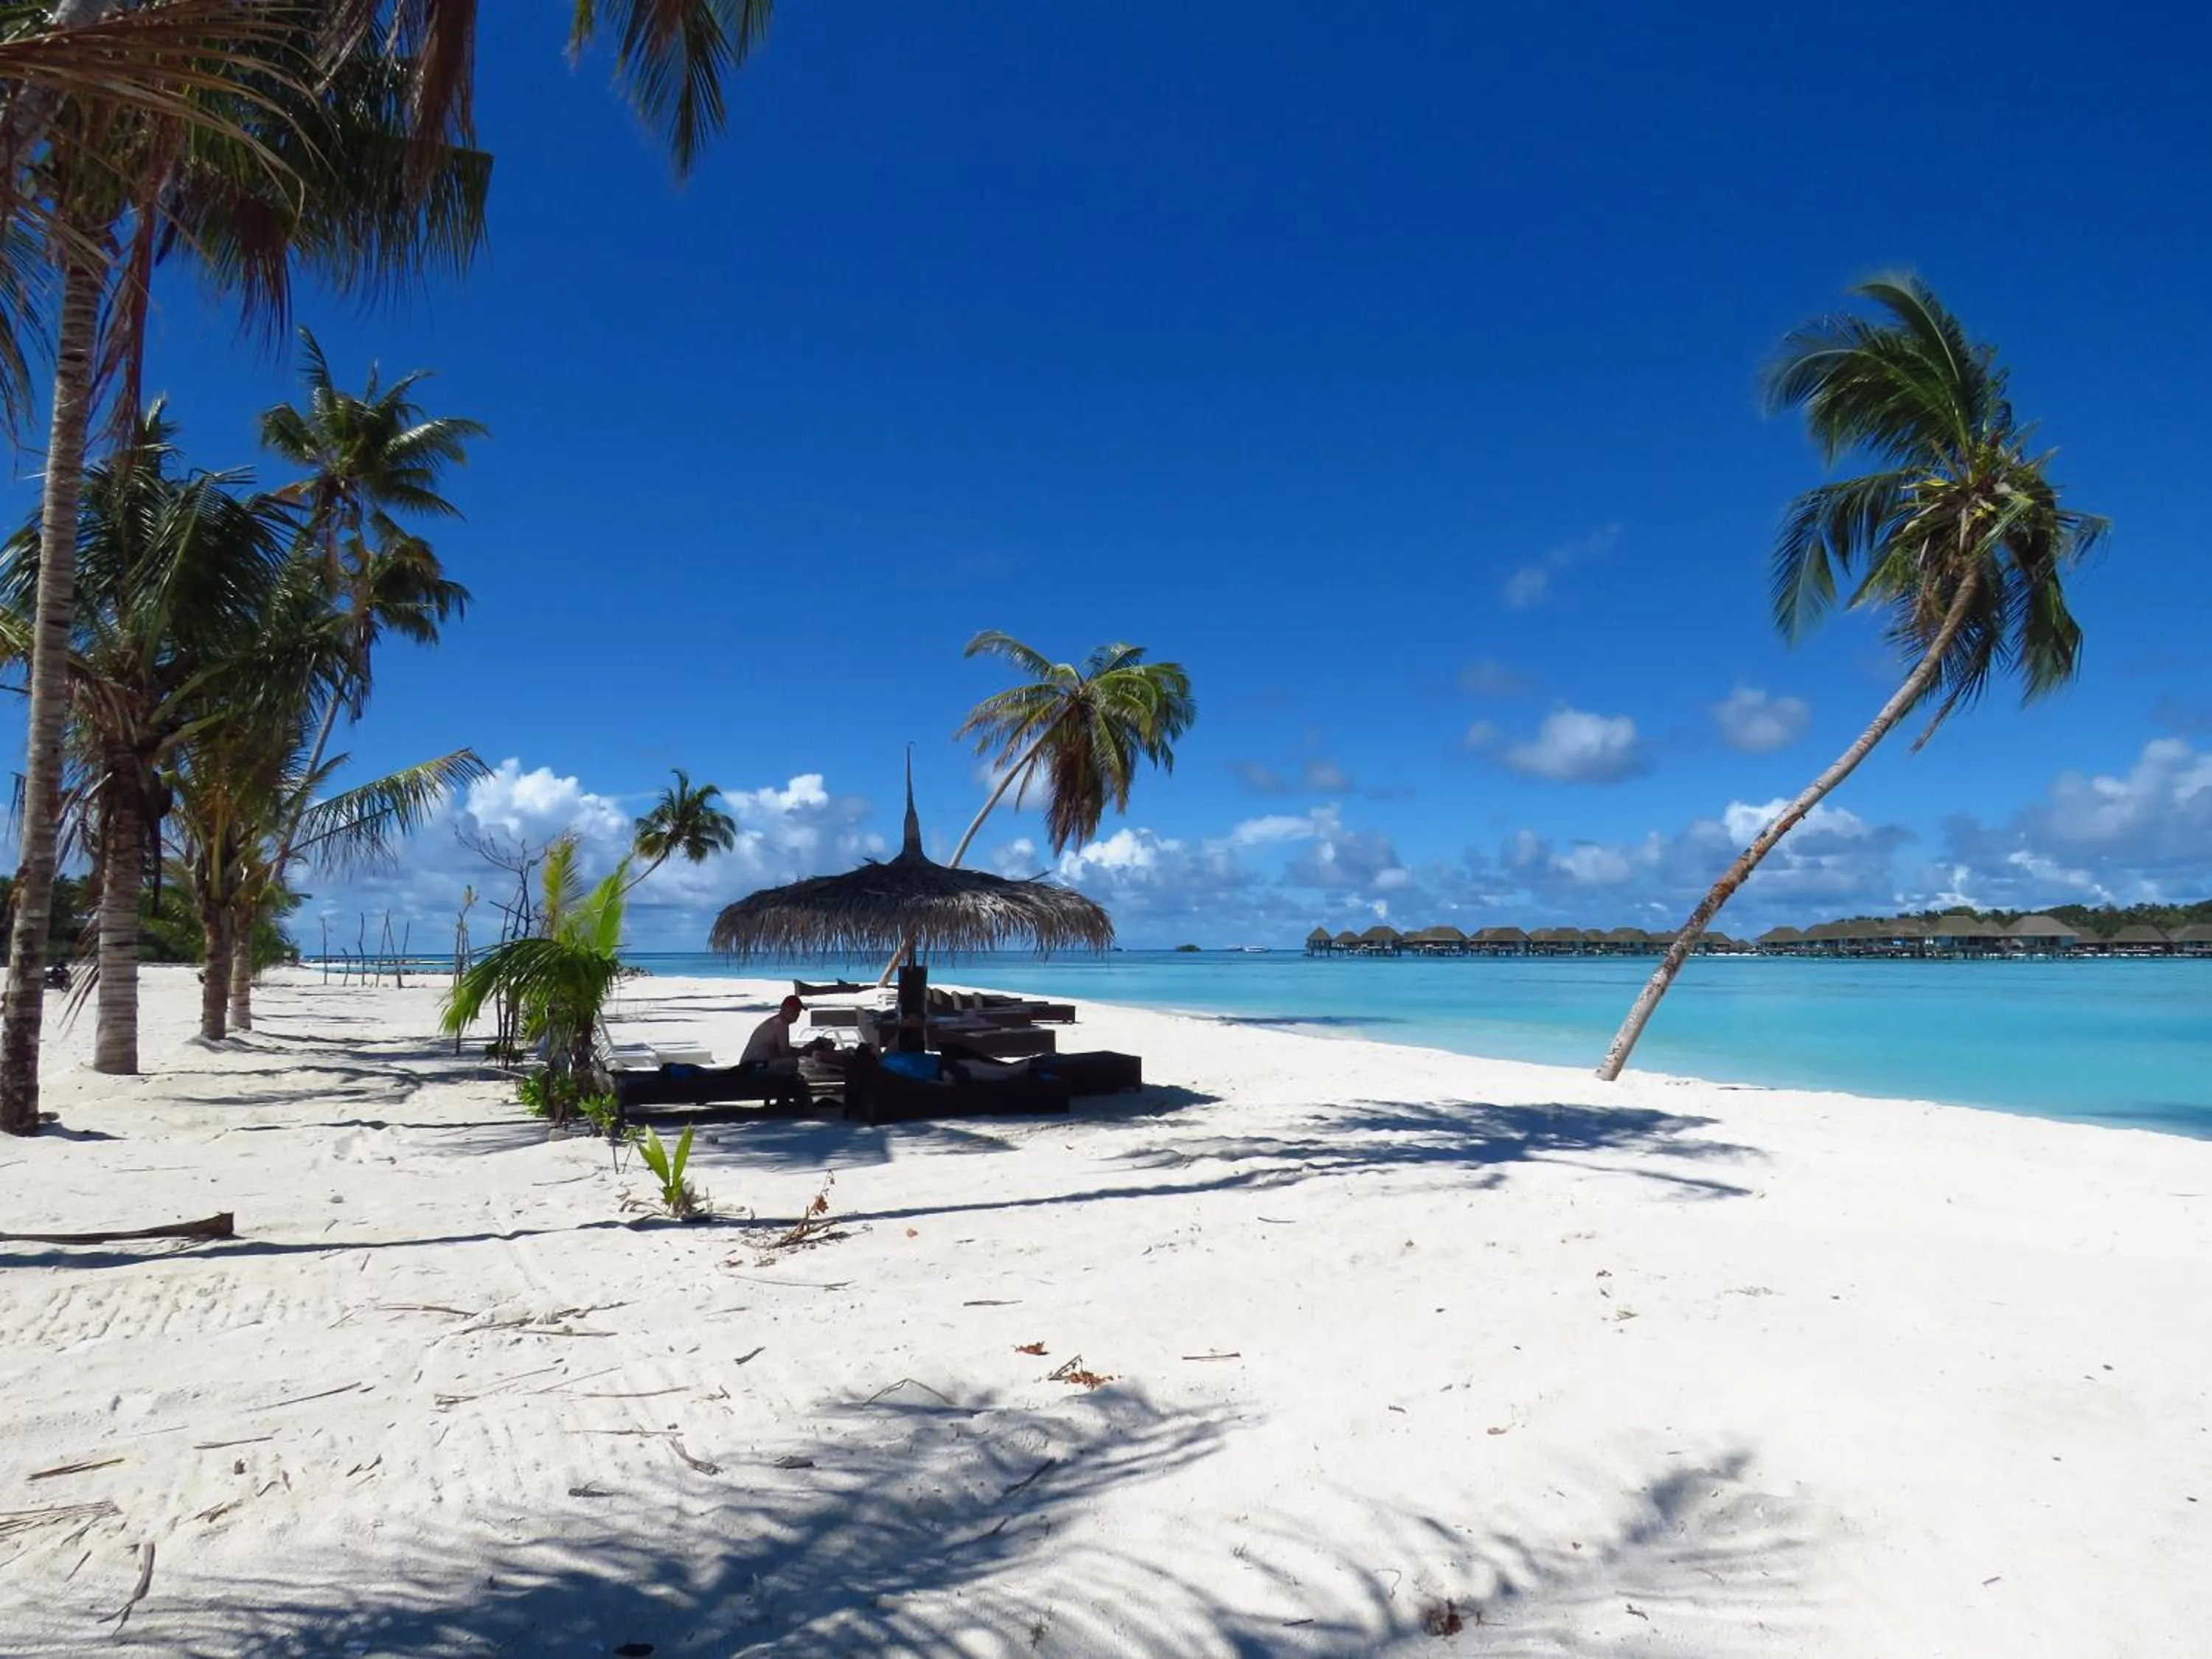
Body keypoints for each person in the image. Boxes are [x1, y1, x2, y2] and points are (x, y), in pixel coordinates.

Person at [740, 996, 834, 1074]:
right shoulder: (780, 1024)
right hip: (754, 1067)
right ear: (784, 1010)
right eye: (794, 1011)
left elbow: (782, 1051)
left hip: (753, 1065)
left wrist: (806, 1049)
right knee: (792, 1064)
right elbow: (786, 1054)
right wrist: (808, 1049)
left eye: (798, 1012)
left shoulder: (775, 1022)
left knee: (794, 1064)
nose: (797, 1015)